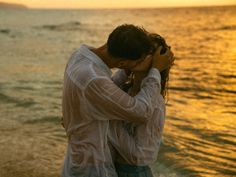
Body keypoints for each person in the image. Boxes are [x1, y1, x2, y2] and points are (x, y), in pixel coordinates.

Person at [61, 24, 174, 177]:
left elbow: (106, 93)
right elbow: (140, 111)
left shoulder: (79, 56)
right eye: (146, 57)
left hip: (83, 159)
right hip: (92, 166)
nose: (150, 58)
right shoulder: (94, 78)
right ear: (122, 64)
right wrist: (155, 70)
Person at [108, 33, 172, 177]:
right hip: (113, 168)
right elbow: (104, 91)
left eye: (149, 52)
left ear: (158, 61)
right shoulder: (126, 89)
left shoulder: (154, 101)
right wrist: (126, 68)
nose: (140, 54)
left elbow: (139, 156)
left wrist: (105, 118)